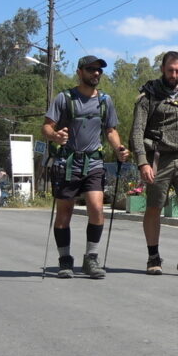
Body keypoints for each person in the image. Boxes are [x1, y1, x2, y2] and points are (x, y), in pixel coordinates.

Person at [42, 55, 129, 279]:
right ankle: (65, 260)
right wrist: (55, 136)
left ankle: (91, 258)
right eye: (91, 69)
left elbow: (110, 130)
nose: (96, 73)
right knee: (64, 213)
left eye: (99, 70)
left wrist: (120, 148)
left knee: (96, 207)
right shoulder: (64, 99)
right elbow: (47, 128)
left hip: (93, 162)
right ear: (80, 72)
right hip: (67, 163)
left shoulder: (105, 101)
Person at [129, 51, 178, 276]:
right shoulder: (148, 97)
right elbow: (136, 133)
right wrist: (143, 163)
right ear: (162, 69)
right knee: (154, 207)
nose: (175, 74)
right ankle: (153, 256)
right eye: (171, 70)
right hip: (157, 158)